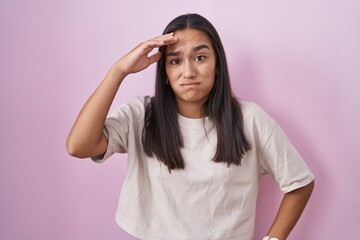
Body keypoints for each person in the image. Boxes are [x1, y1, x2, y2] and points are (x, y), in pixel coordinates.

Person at [66, 13, 314, 240]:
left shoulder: (250, 119)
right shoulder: (140, 115)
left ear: (217, 65)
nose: (188, 71)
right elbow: (78, 146)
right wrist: (118, 71)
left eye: (200, 57)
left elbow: (300, 183)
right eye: (175, 61)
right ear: (164, 71)